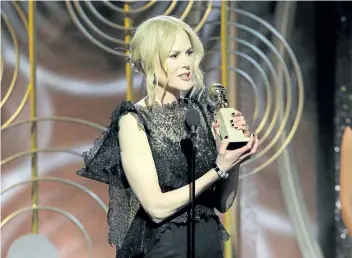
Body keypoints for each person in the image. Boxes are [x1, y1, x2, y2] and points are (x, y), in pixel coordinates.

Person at [77, 15, 259, 258]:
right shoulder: (134, 121)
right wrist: (218, 169)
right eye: (174, 56)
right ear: (152, 61)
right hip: (164, 248)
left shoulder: (200, 113)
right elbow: (156, 208)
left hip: (208, 246)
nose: (186, 63)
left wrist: (233, 159)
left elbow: (222, 203)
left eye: (189, 53)